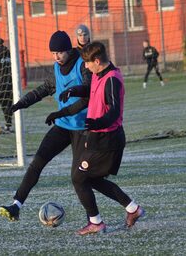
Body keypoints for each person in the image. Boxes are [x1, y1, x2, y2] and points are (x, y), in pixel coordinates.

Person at [0, 30, 91, 221]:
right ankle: (16, 205)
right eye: (53, 54)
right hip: (63, 126)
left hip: (83, 129)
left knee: (80, 178)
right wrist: (20, 104)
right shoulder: (56, 70)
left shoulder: (83, 65)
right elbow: (41, 90)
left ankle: (95, 219)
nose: (56, 57)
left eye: (59, 53)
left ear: (68, 50)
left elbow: (89, 94)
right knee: (37, 162)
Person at [59, 42, 145, 235]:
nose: (86, 67)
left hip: (109, 140)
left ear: (97, 61)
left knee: (79, 178)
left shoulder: (112, 79)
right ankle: (133, 209)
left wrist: (98, 123)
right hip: (99, 138)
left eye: (88, 63)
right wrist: (73, 91)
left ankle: (96, 223)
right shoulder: (99, 74)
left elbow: (114, 111)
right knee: (92, 179)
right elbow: (90, 92)